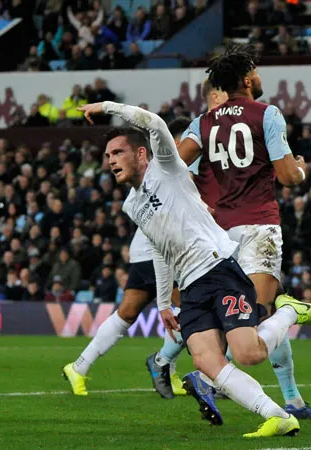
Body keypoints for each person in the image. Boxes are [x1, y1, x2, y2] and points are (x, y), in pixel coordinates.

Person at [79, 100, 311, 438]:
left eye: (117, 152)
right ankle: (276, 414)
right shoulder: (132, 204)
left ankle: (289, 311)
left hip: (219, 269)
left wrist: (108, 107)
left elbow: (153, 122)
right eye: (107, 156)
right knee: (205, 362)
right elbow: (159, 247)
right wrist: (165, 302)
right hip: (192, 287)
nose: (110, 160)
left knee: (248, 353)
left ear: (141, 154)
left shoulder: (166, 167)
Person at [178, 44, 311, 420]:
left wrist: (201, 196)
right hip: (259, 226)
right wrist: (302, 168)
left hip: (219, 234)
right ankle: (212, 378)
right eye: (256, 71)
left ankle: (290, 399)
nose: (259, 77)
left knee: (245, 319)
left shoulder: (204, 122)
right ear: (246, 79)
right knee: (259, 318)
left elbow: (176, 165)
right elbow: (289, 177)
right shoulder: (267, 114)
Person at [62, 118, 195, 400]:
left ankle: (79, 366)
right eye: (183, 139)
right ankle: (168, 365)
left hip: (144, 250)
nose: (188, 144)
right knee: (196, 308)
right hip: (157, 251)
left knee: (126, 314)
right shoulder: (168, 166)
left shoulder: (176, 167)